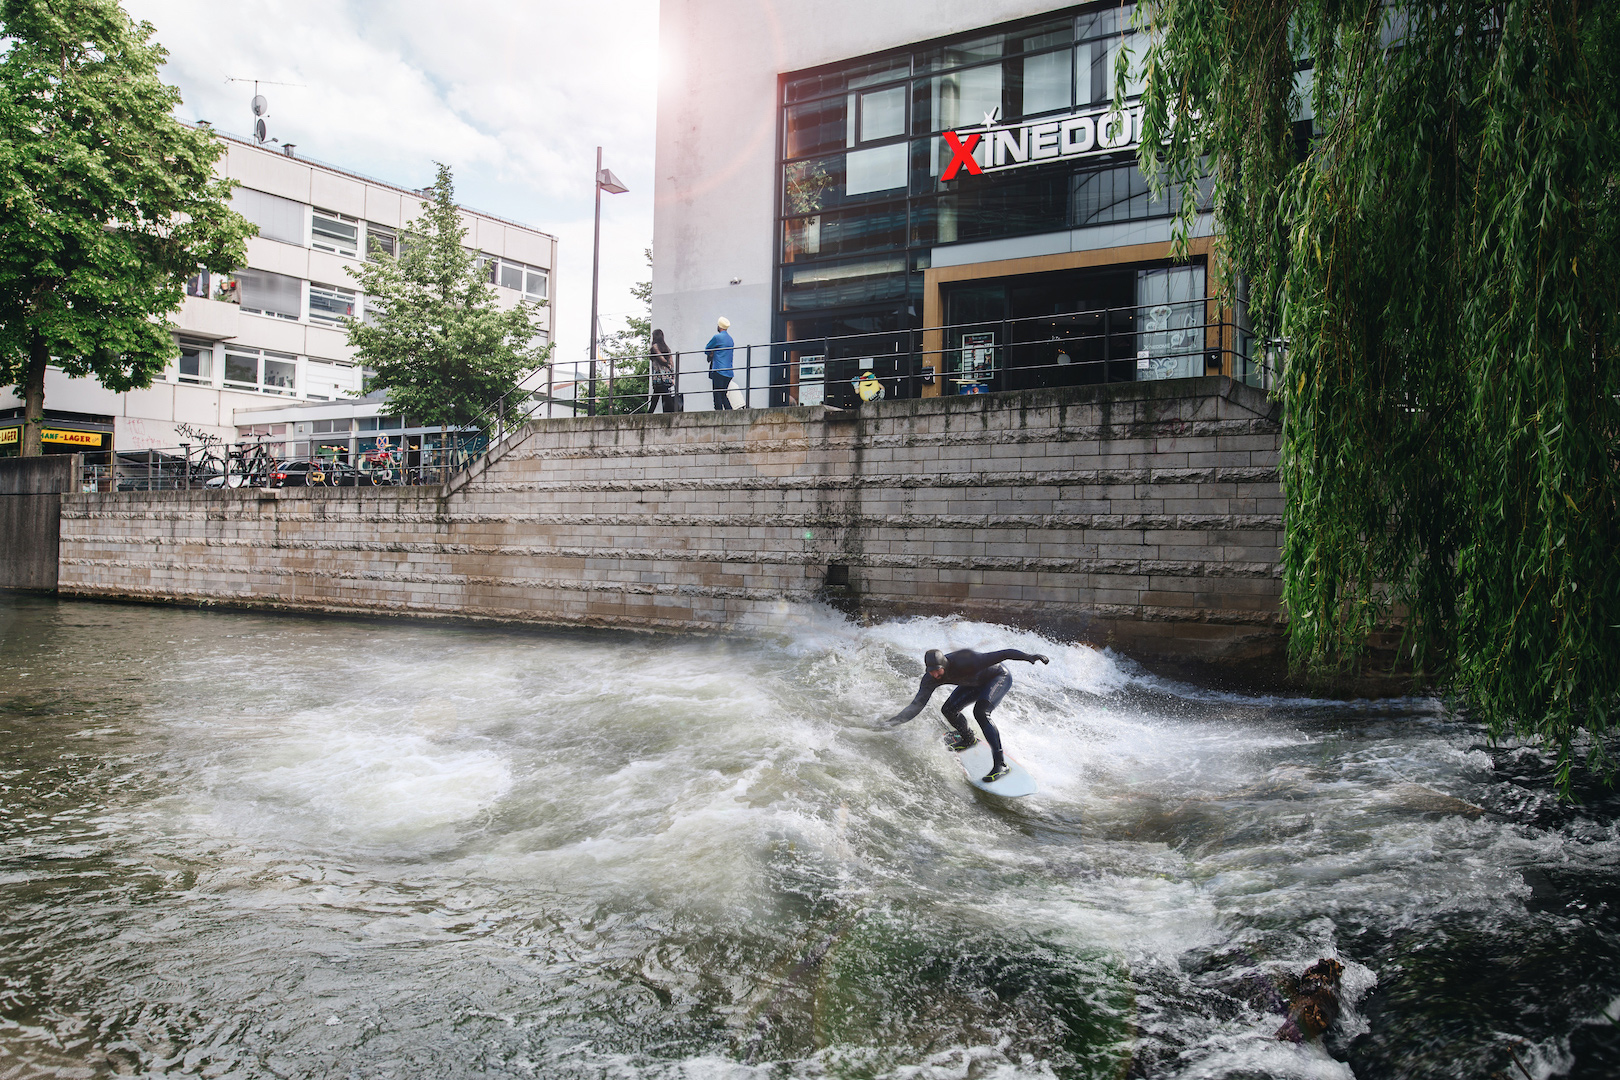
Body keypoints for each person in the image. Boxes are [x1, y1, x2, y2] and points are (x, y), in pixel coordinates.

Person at [879, 646, 1049, 783]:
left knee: (981, 713)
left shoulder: (966, 660)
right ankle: (968, 739)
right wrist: (891, 723)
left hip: (997, 677)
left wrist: (1029, 656)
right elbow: (916, 706)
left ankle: (1001, 764)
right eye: (931, 671)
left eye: (938, 671)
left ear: (945, 665)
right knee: (948, 710)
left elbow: (1004, 653)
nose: (935, 675)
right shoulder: (930, 679)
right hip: (972, 683)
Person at [705, 316, 734, 410]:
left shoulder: (717, 337)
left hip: (718, 370)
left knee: (717, 395)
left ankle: (718, 415)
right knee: (723, 394)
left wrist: (711, 353)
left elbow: (707, 349)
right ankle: (730, 413)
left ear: (719, 326)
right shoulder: (730, 339)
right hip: (729, 372)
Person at [649, 328, 678, 413]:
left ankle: (650, 412)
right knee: (662, 393)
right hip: (666, 374)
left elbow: (660, 358)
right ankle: (669, 412)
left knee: (658, 394)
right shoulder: (666, 347)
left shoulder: (654, 347)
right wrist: (672, 372)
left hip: (658, 374)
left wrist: (666, 363)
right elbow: (671, 361)